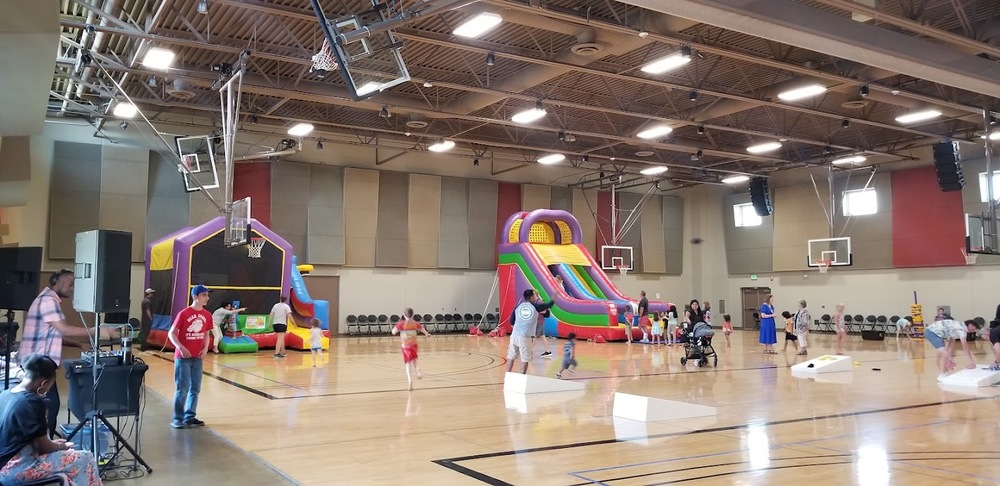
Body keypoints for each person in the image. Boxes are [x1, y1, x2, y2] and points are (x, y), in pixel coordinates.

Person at [17, 269, 118, 437]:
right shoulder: (49, 301)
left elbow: (53, 334)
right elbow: (64, 330)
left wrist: (79, 345)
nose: (72, 289)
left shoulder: (48, 300)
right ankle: (45, 448)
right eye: (70, 284)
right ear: (58, 281)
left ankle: (43, 443)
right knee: (50, 405)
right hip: (36, 365)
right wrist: (95, 331)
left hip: (38, 364)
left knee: (47, 405)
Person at [0, 354, 101, 486]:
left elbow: (23, 438)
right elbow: (42, 446)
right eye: (50, 385)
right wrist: (59, 446)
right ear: (44, 383)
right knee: (86, 458)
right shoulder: (32, 402)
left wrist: (52, 443)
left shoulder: (5, 394)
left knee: (71, 457)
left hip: (5, 463)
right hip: (19, 468)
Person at [167, 284, 212, 429]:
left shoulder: (207, 315)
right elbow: (171, 333)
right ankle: (177, 418)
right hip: (183, 358)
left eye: (207, 295)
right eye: (204, 295)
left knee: (195, 389)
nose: (207, 298)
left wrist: (205, 348)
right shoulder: (184, 313)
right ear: (195, 297)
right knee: (183, 388)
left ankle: (190, 416)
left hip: (197, 358)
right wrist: (180, 347)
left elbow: (206, 334)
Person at [506, 289, 554, 374]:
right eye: (535, 295)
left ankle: (507, 375)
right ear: (532, 297)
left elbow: (511, 321)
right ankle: (521, 377)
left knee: (511, 357)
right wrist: (555, 296)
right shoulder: (535, 306)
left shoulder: (518, 306)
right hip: (525, 337)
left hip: (514, 335)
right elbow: (549, 305)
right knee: (525, 359)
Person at [391, 308, 431, 390]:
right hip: (414, 345)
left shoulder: (401, 324)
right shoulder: (415, 323)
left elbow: (393, 332)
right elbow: (421, 329)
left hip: (406, 346)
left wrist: (397, 329)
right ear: (413, 315)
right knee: (414, 358)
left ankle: (410, 381)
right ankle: (417, 369)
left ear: (404, 315)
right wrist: (426, 334)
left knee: (408, 363)